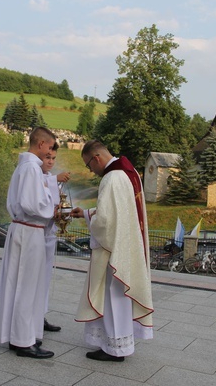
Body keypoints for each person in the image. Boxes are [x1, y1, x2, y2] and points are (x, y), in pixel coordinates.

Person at [71, 140, 154, 362]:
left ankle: (116, 349)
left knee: (113, 296)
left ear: (96, 157)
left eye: (89, 165)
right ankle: (114, 343)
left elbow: (106, 221)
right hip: (127, 242)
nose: (91, 170)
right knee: (118, 297)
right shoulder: (129, 171)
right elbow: (118, 210)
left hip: (114, 248)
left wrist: (92, 220)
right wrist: (87, 213)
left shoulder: (111, 178)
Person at [0, 127, 58, 359]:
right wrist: (53, 208)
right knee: (25, 286)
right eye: (49, 147)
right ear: (40, 144)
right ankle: (22, 341)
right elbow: (32, 204)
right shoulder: (30, 168)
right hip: (29, 231)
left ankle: (20, 335)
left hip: (26, 230)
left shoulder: (26, 167)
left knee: (22, 284)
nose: (50, 152)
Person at [40, 143, 70, 333]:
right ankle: (33, 317)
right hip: (35, 234)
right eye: (47, 157)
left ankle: (40, 315)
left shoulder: (51, 179)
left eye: (53, 159)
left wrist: (62, 213)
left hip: (48, 233)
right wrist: (55, 180)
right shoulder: (32, 174)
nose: (50, 162)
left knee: (45, 278)